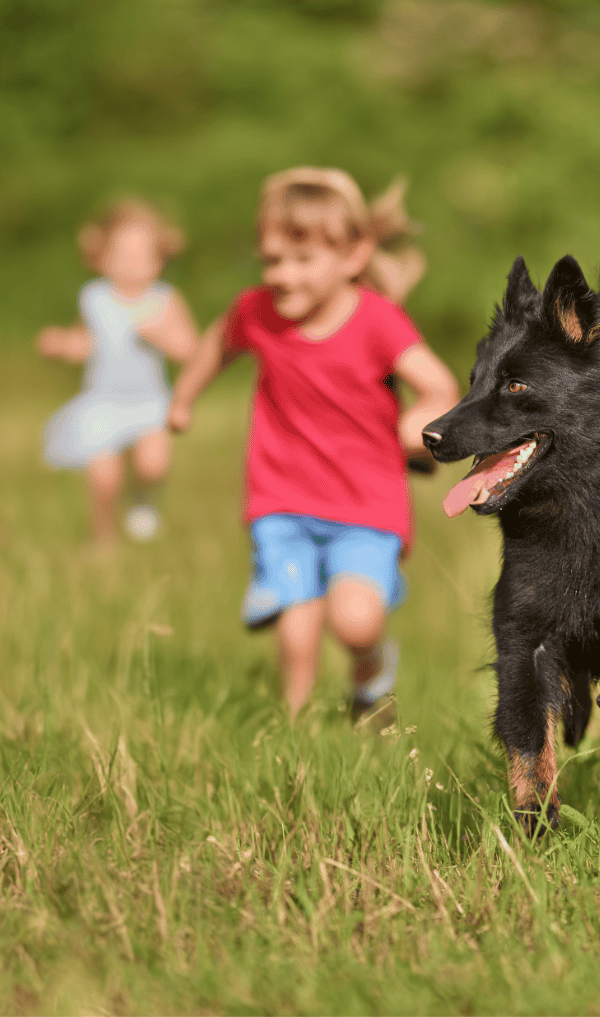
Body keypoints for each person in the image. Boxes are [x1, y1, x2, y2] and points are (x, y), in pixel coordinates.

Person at [168, 167, 460, 722]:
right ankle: (295, 725)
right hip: (281, 497)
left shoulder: (378, 320)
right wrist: (183, 396)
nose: (283, 276)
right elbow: (216, 344)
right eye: (272, 260)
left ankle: (371, 674)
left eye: (303, 261)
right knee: (297, 627)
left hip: (365, 501)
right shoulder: (256, 312)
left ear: (352, 257)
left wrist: (419, 422)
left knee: (355, 622)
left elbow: (440, 384)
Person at [38, 199, 199, 545]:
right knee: (103, 479)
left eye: (142, 258)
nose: (132, 266)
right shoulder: (95, 298)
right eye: (122, 257)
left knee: (153, 465)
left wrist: (163, 335)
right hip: (103, 400)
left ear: (160, 259)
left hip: (148, 401)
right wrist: (62, 344)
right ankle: (104, 540)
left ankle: (142, 500)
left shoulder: (163, 300)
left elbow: (191, 349)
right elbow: (87, 343)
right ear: (101, 258)